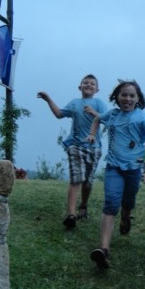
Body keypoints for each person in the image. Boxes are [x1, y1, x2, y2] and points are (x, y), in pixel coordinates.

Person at [87, 79, 145, 269]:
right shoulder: (112, 115)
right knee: (111, 203)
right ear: (117, 97)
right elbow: (97, 119)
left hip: (133, 169)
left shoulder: (142, 118)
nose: (127, 98)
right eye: (124, 95)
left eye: (131, 95)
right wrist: (92, 134)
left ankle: (126, 214)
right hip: (113, 167)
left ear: (138, 98)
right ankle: (103, 249)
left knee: (128, 201)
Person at [37, 74, 107, 229]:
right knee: (76, 179)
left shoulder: (99, 103)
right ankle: (71, 215)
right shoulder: (75, 103)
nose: (88, 85)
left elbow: (107, 120)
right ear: (79, 87)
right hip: (75, 145)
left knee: (87, 182)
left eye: (92, 84)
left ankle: (83, 205)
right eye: (85, 82)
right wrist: (48, 99)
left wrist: (94, 113)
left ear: (97, 89)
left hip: (94, 147)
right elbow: (59, 114)